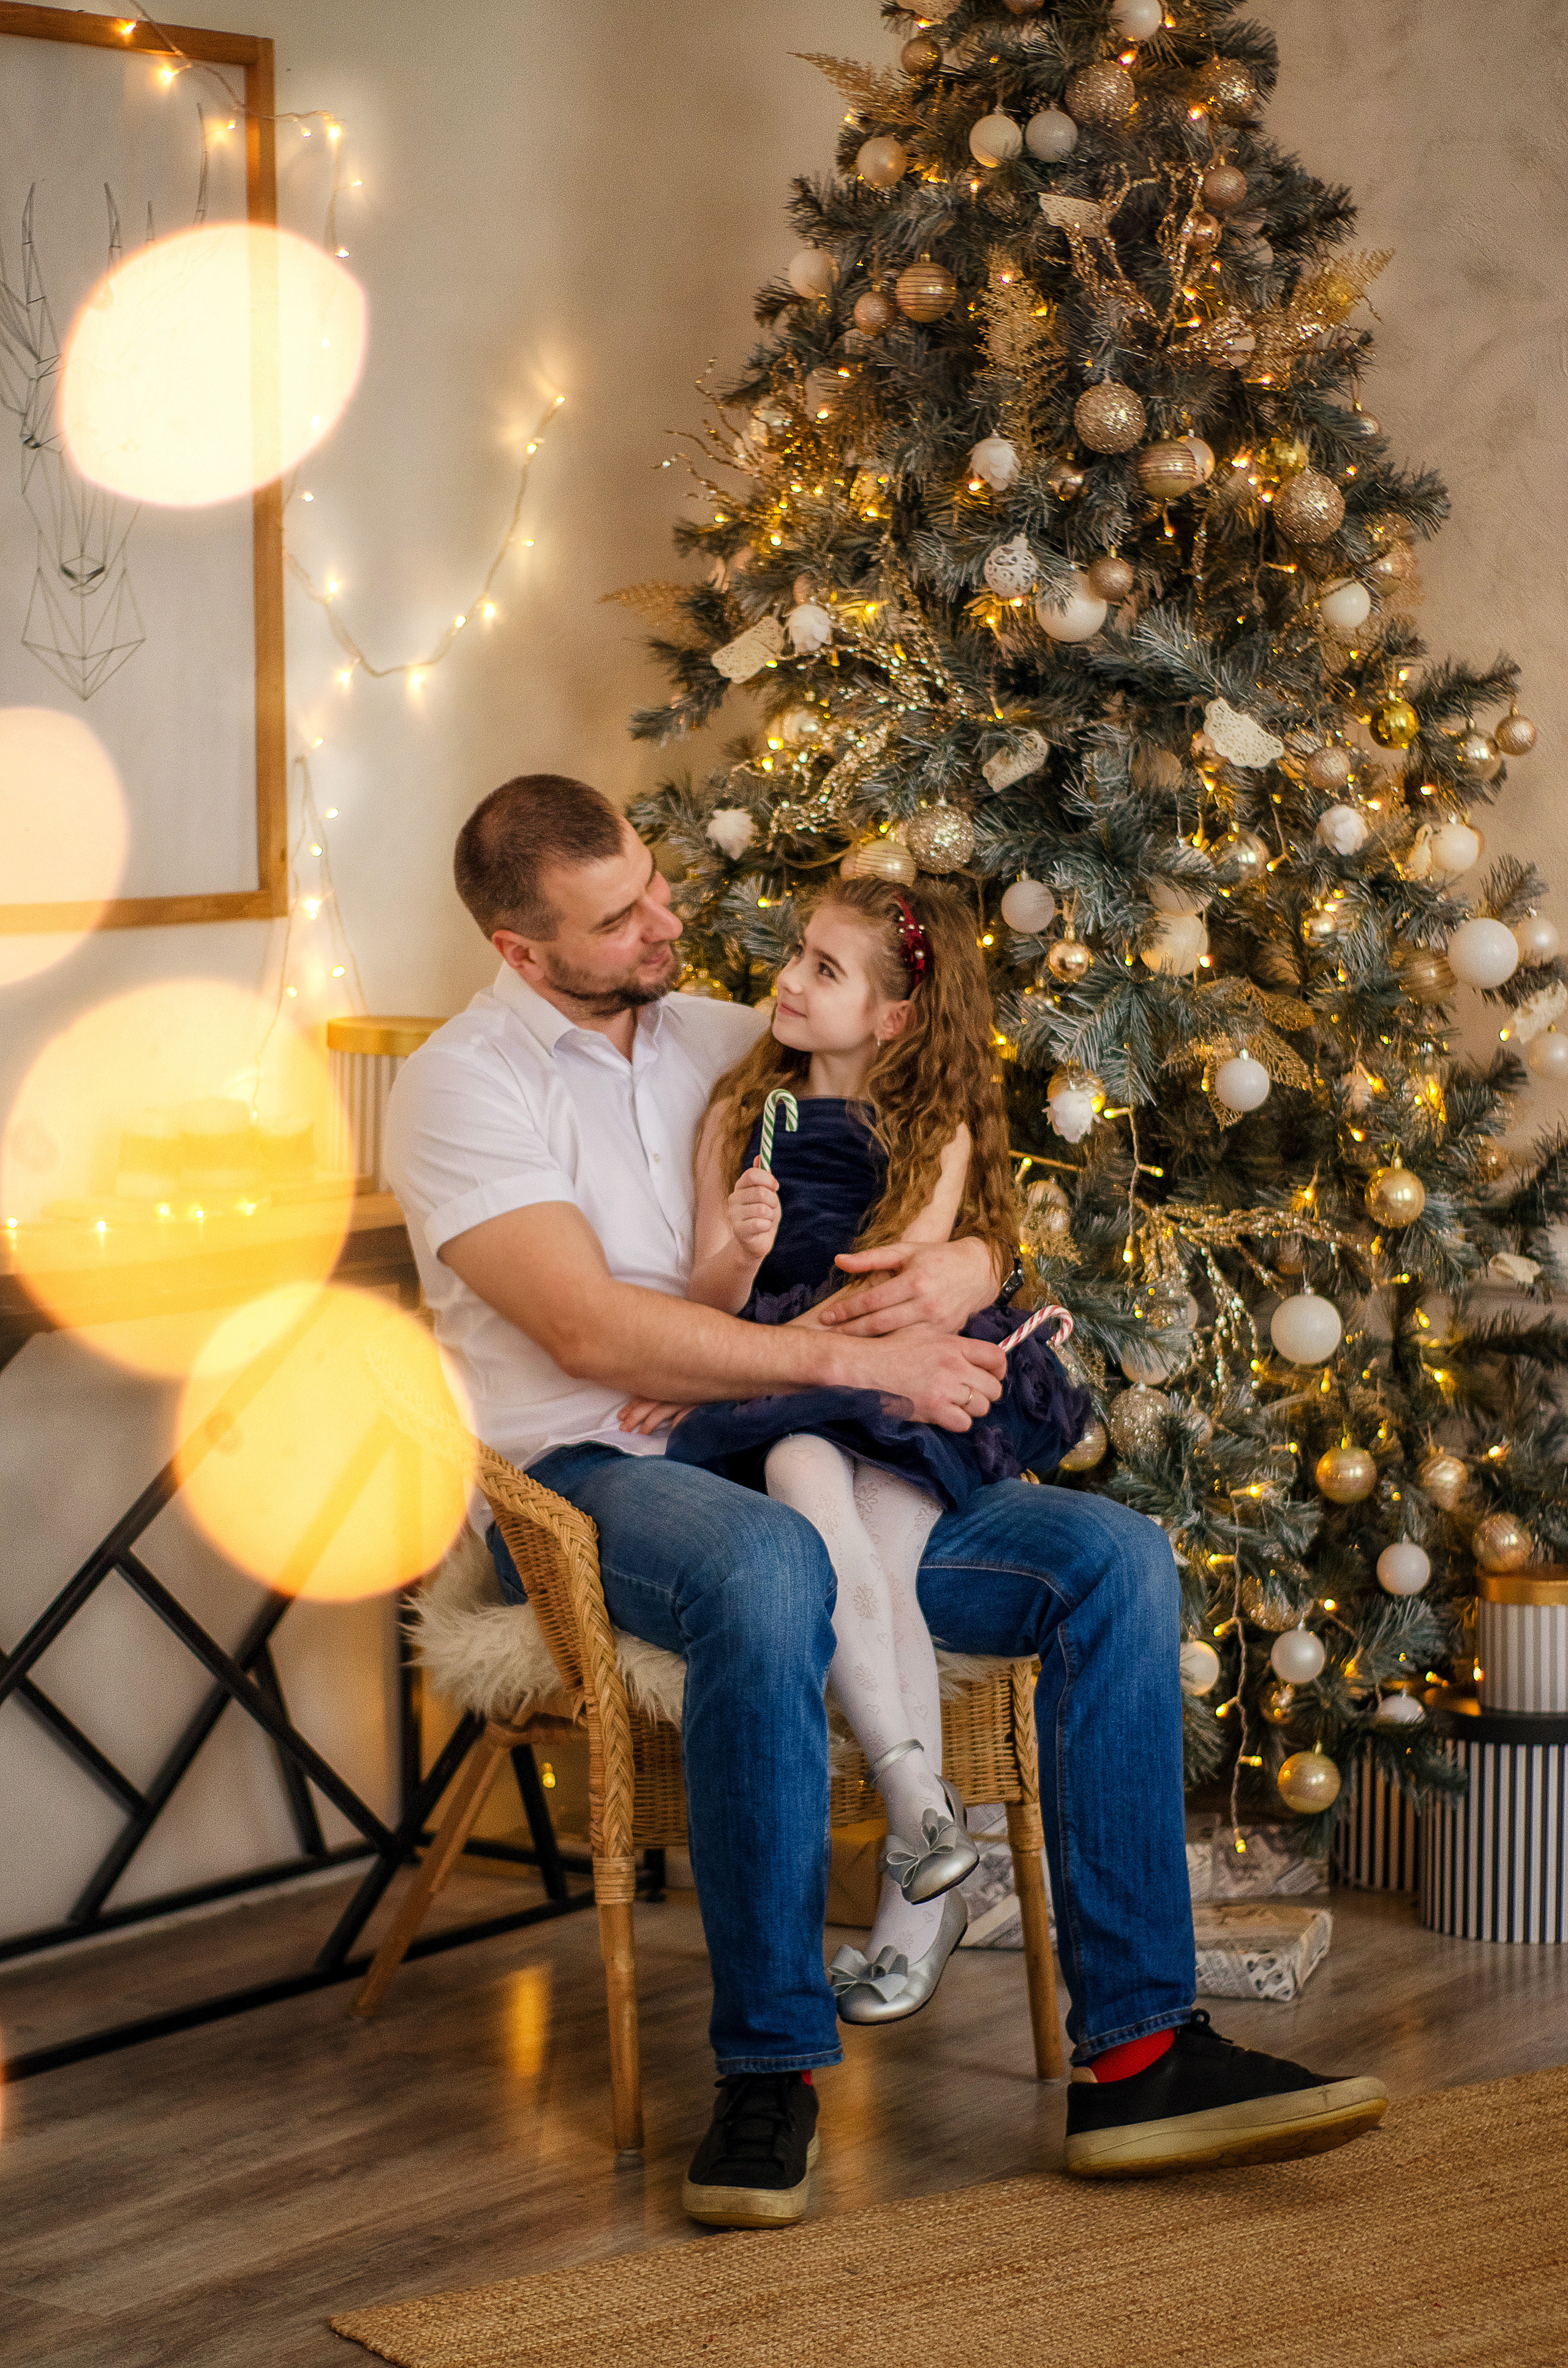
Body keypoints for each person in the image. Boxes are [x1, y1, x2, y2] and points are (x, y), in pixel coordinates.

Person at [383, 771, 1387, 2231]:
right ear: (524, 952)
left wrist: (971, 1272)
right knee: (769, 1570)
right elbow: (595, 1336)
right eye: (621, 918)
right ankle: (770, 2066)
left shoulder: (734, 1042)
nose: (669, 922)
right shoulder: (462, 1085)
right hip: (598, 1474)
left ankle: (1138, 2056)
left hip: (813, 1441)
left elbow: (931, 1147)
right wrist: (870, 1365)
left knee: (1108, 1556)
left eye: (656, 883)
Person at [649, 875, 1091, 2023]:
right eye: (799, 954)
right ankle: (923, 1820)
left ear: (893, 1019)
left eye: (825, 970)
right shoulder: (740, 1109)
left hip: (885, 1373)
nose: (789, 981)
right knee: (798, 1472)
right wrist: (740, 1259)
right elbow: (706, 1289)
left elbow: (893, 1302)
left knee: (883, 1556)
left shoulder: (929, 1133)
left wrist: (802, 1332)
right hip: (776, 1374)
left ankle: (917, 1886)